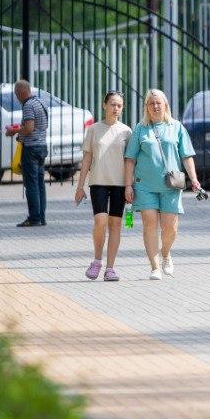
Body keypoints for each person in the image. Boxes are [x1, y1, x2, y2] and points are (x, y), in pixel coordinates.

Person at [124, 89, 201, 281]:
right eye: (151, 103)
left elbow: (186, 156)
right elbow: (130, 160)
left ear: (165, 105)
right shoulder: (140, 129)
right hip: (144, 185)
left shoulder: (176, 127)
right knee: (149, 224)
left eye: (158, 103)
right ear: (146, 108)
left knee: (170, 228)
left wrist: (194, 179)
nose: (155, 106)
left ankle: (165, 253)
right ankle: (154, 266)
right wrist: (128, 185)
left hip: (171, 185)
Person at [74, 90, 132, 282]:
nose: (116, 108)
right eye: (113, 104)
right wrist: (80, 186)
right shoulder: (93, 130)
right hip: (98, 182)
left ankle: (110, 268)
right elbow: (87, 158)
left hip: (119, 184)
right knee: (100, 221)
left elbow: (130, 162)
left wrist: (130, 186)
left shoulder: (126, 131)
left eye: (119, 105)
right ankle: (97, 260)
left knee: (115, 224)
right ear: (104, 105)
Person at [7, 79, 49, 227]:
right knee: (39, 183)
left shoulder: (28, 105)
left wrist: (14, 131)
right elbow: (39, 127)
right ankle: (41, 217)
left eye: (16, 94)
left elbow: (30, 128)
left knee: (31, 184)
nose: (17, 98)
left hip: (31, 148)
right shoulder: (40, 102)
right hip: (42, 146)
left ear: (21, 92)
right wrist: (21, 133)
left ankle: (34, 218)